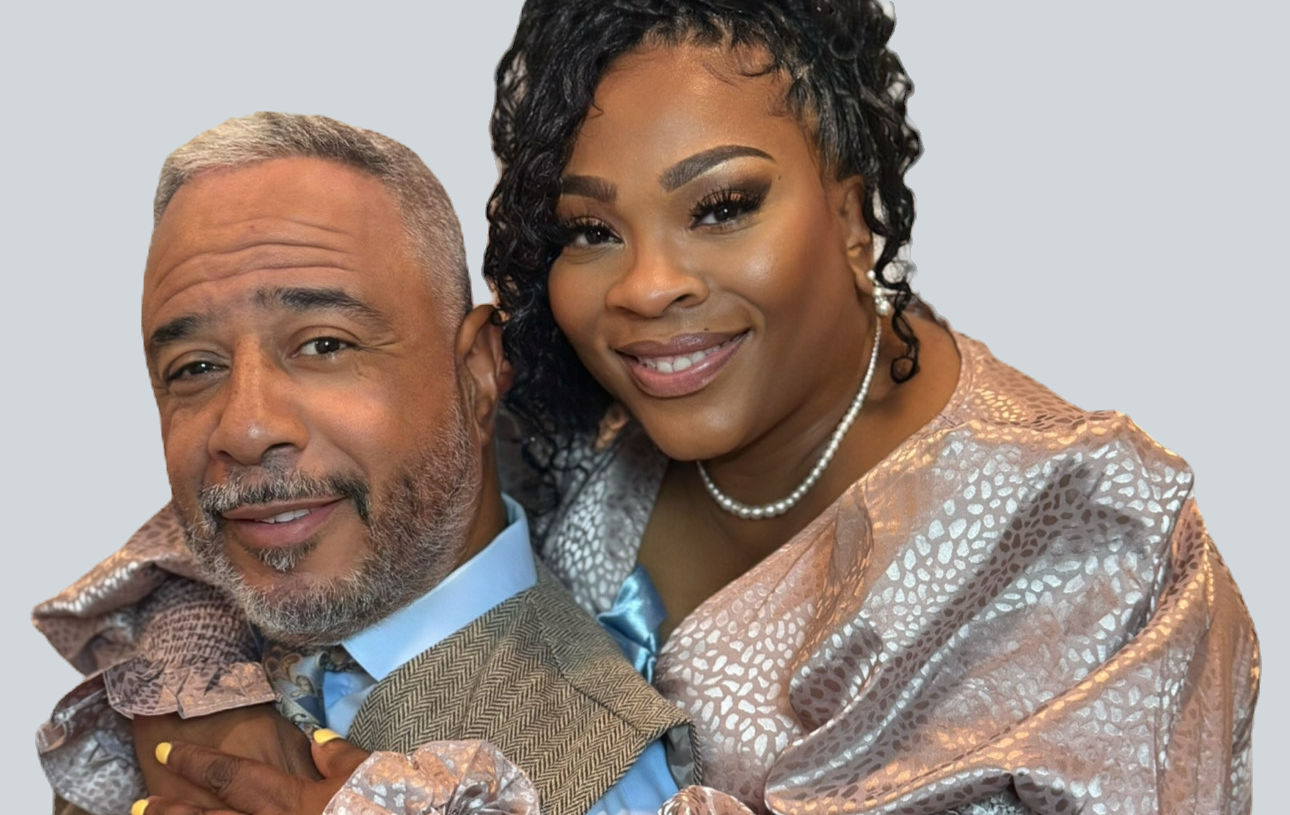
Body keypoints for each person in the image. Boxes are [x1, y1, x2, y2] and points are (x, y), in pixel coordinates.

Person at [37, 2, 1260, 814]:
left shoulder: (1086, 539)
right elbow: (261, 505)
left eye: (721, 206)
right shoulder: (568, 413)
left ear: (853, 206)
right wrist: (216, 716)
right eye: (590, 229)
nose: (648, 287)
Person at [34, 111, 688, 815]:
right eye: (195, 366)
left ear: (476, 372)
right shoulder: (185, 622)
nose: (245, 428)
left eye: (324, 345)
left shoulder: (607, 780)